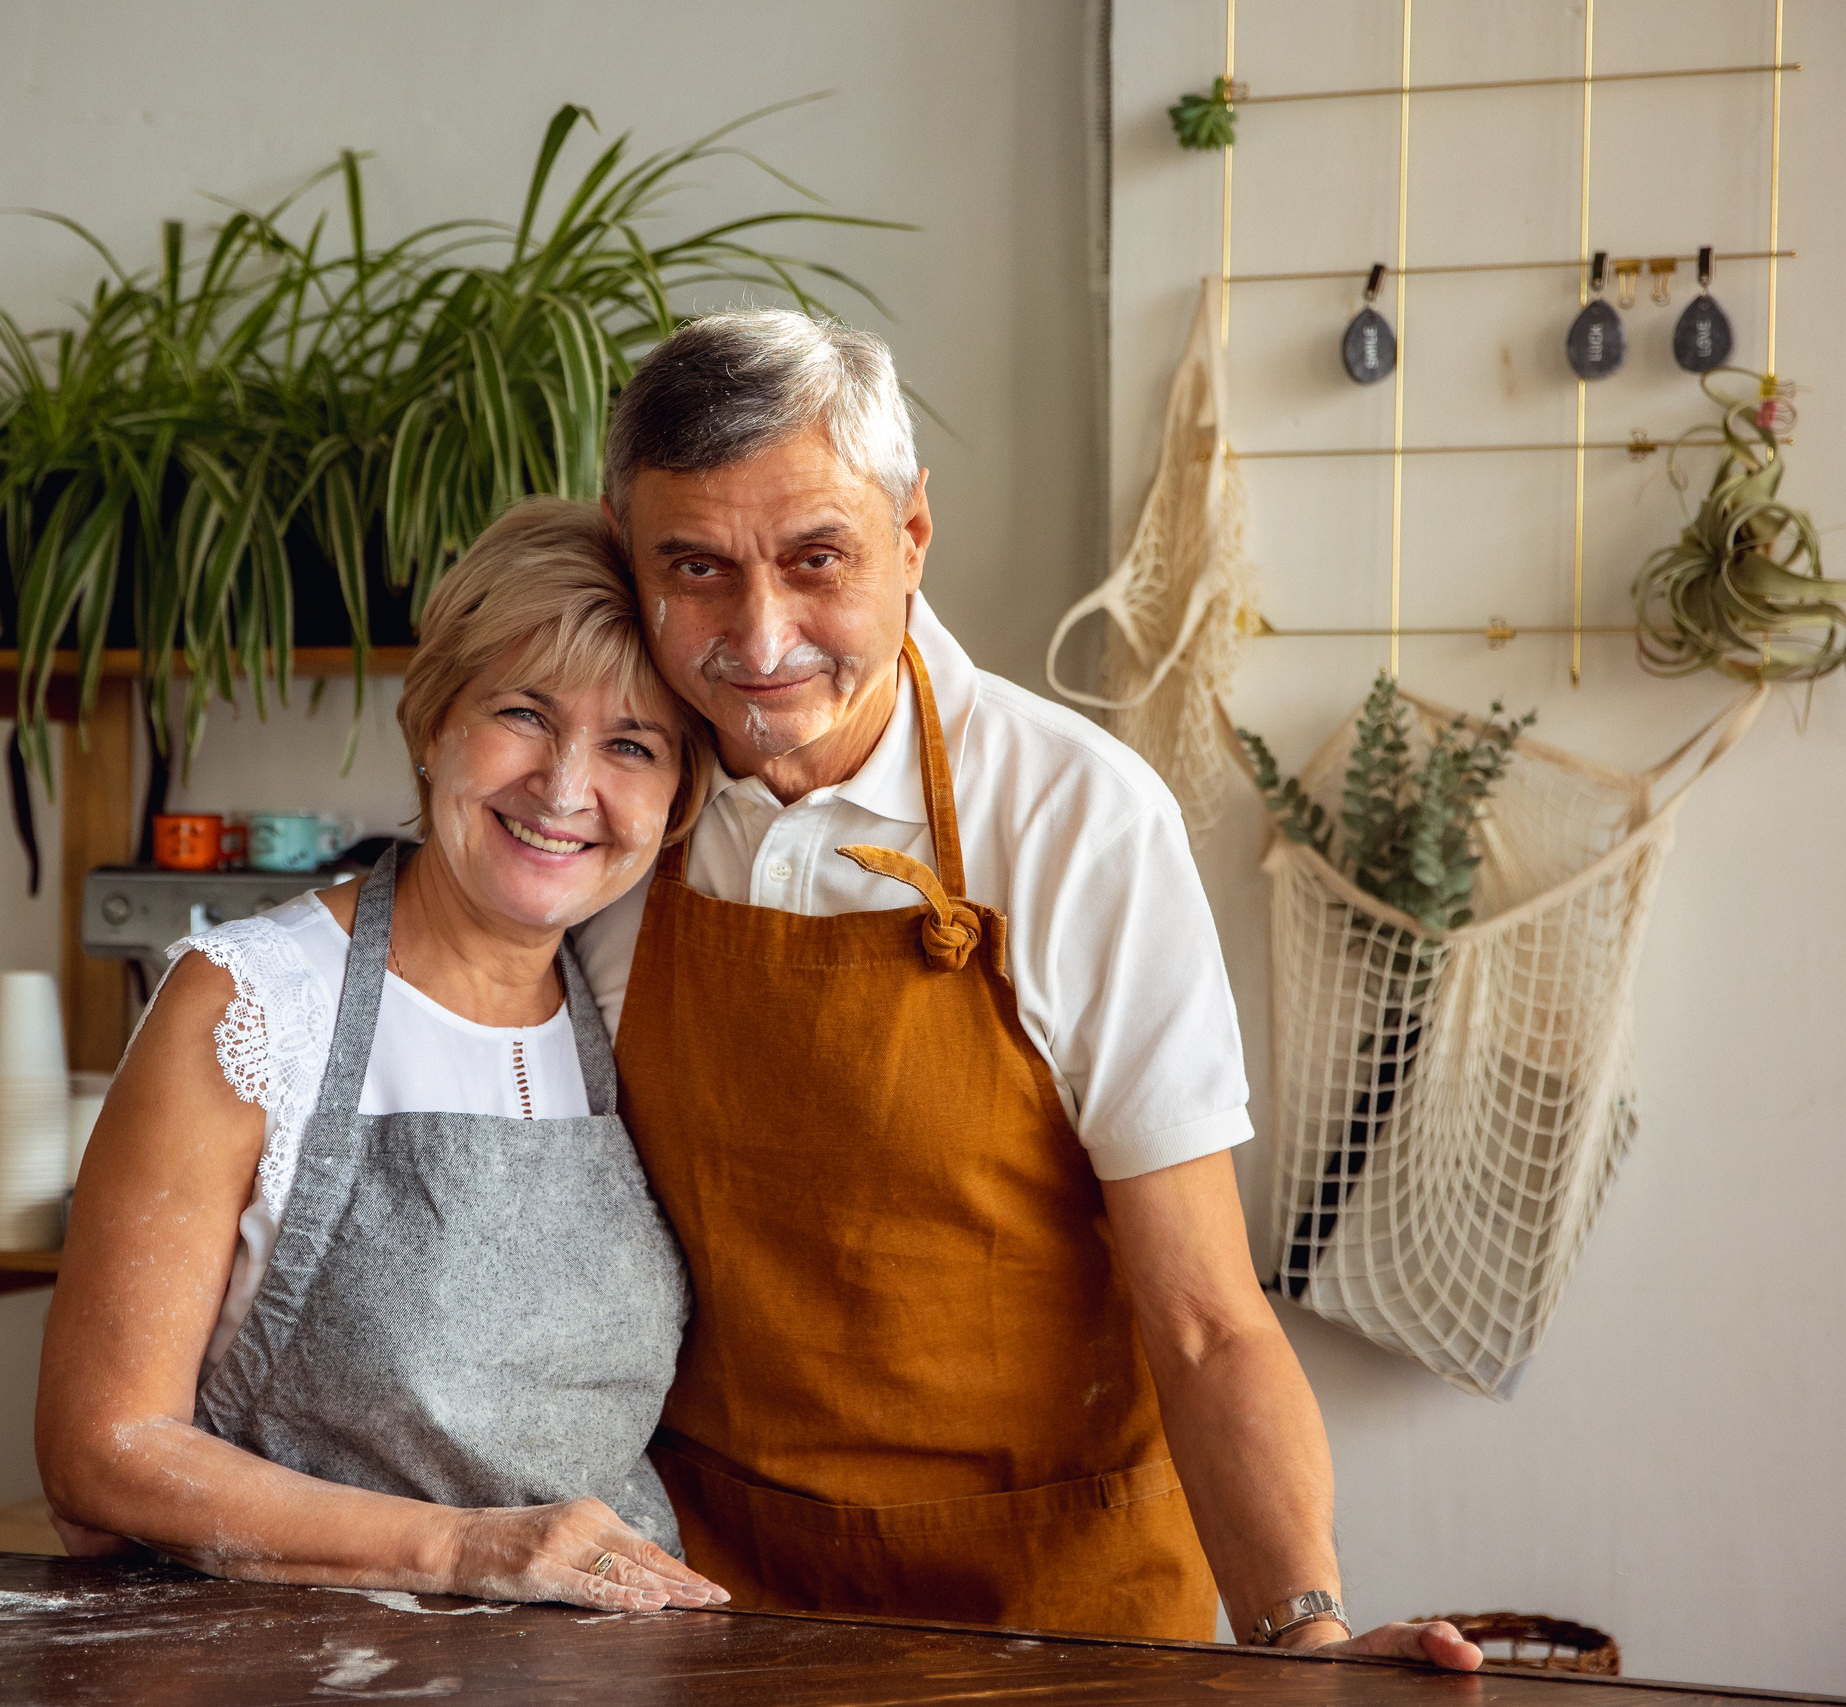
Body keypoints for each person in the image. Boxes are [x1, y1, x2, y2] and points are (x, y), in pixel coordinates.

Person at [574, 310, 1483, 1667]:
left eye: (819, 559)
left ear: (913, 535)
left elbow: (1206, 1316)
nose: (760, 637)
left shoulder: (1078, 819)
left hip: (1062, 1618)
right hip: (724, 1610)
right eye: (694, 568)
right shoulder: (615, 816)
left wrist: (1303, 1628)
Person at [37, 497, 727, 1615]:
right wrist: (464, 1550)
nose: (563, 787)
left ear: (677, 796)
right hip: (299, 1666)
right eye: (522, 713)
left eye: (631, 746)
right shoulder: (252, 1005)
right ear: (432, 722)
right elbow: (101, 1450)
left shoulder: (630, 1003)